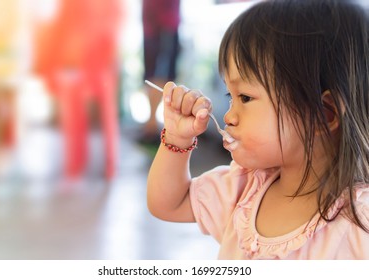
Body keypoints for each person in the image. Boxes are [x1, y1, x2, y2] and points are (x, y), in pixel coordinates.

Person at [147, 0, 369, 259]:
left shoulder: (358, 226)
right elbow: (168, 203)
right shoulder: (243, 189)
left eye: (245, 98)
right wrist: (176, 138)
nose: (229, 116)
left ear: (323, 114)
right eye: (231, 96)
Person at [33, 0, 124, 181]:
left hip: (94, 56)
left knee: (94, 112)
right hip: (79, 57)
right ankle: (80, 166)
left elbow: (115, 19)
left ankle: (96, 165)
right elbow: (63, 21)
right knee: (79, 113)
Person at [140, 0, 181, 144]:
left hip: (154, 24)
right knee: (159, 76)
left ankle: (151, 125)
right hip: (163, 24)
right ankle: (151, 127)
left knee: (155, 75)